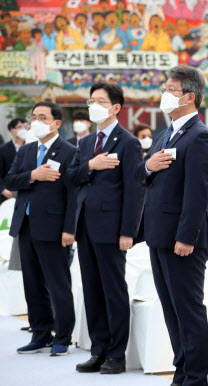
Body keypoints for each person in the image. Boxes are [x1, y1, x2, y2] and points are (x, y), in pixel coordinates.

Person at [135, 65, 208, 386]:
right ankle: (181, 373)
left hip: (183, 240)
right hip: (159, 235)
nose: (164, 95)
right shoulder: (165, 133)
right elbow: (146, 177)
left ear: (189, 97)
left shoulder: (200, 136)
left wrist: (187, 236)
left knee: (187, 309)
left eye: (170, 90)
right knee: (171, 311)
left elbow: (197, 194)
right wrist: (147, 166)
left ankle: (196, 378)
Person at [67, 83, 143, 374]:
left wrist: (128, 231)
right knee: (92, 290)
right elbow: (71, 178)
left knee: (113, 290)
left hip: (112, 229)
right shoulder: (86, 143)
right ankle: (98, 350)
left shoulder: (128, 142)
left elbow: (134, 191)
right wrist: (92, 165)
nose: (93, 105)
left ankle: (116, 354)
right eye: (91, 100)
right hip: (85, 226)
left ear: (115, 108)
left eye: (100, 101)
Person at [5, 102, 76, 357]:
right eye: (33, 117)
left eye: (42, 117)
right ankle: (40, 333)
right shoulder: (26, 151)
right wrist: (33, 175)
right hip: (25, 227)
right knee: (32, 283)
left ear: (56, 123)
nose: (35, 121)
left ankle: (63, 337)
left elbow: (74, 194)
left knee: (58, 285)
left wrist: (70, 229)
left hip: (54, 228)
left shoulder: (69, 152)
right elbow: (11, 180)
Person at [0, 118, 27, 204]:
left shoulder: (32, 148)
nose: (24, 129)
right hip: (7, 195)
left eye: (26, 127)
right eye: (20, 127)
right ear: (12, 130)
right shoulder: (3, 149)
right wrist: (3, 190)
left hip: (26, 193)